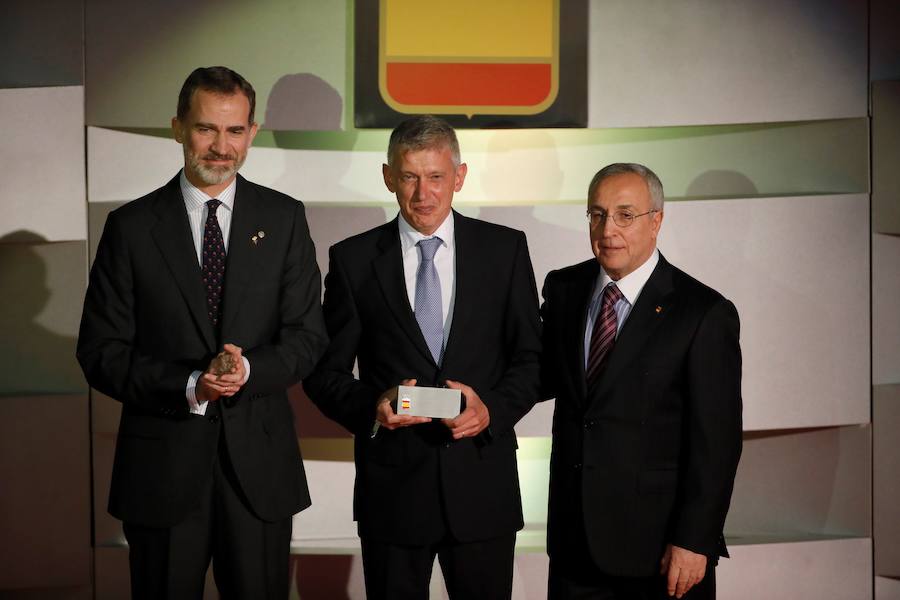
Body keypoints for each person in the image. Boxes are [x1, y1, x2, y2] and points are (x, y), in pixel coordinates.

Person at [77, 66, 328, 599]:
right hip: (161, 471)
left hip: (258, 474)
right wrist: (192, 383)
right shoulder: (130, 228)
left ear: (252, 133)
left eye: (234, 131)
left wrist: (248, 371)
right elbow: (100, 351)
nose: (220, 146)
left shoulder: (284, 219)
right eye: (205, 129)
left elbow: (308, 336)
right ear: (177, 128)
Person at [304, 115, 542, 599]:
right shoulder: (352, 260)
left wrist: (491, 409)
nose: (423, 194)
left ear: (460, 176)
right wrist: (373, 405)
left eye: (436, 177)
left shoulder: (505, 250)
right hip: (393, 494)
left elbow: (533, 360)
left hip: (482, 489)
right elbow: (322, 373)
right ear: (388, 176)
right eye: (409, 177)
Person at [540, 163, 742, 599]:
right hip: (574, 546)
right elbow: (536, 375)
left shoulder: (702, 312)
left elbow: (717, 444)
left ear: (657, 221)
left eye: (625, 215)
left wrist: (694, 539)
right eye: (596, 214)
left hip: (661, 553)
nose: (607, 228)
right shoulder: (564, 289)